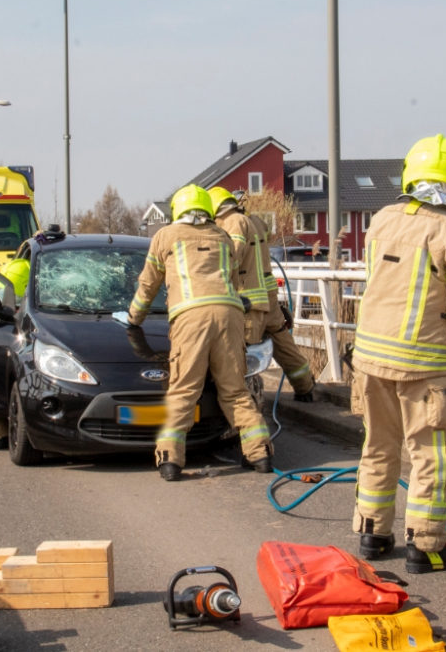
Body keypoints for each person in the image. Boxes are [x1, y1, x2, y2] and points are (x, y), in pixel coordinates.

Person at [351, 134, 446, 574]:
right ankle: (425, 546)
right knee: (431, 453)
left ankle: (372, 532)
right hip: (422, 363)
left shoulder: (381, 219)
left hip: (370, 357)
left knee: (378, 445)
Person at [118, 184, 272, 481]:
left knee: (183, 391)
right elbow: (230, 277)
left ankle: (171, 461)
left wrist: (134, 318)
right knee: (236, 390)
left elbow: (148, 285)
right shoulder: (223, 237)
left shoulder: (165, 236)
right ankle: (260, 452)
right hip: (230, 316)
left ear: (178, 211)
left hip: (190, 318)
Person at [249, 211, 316, 402]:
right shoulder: (256, 221)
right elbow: (268, 235)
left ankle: (242, 396)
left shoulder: (230, 225)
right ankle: (306, 388)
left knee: (244, 349)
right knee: (282, 342)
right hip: (269, 297)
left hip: (249, 301)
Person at [210, 187, 270, 344]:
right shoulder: (244, 220)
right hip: (247, 303)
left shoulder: (234, 222)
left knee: (242, 361)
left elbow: (232, 258)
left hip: (246, 304)